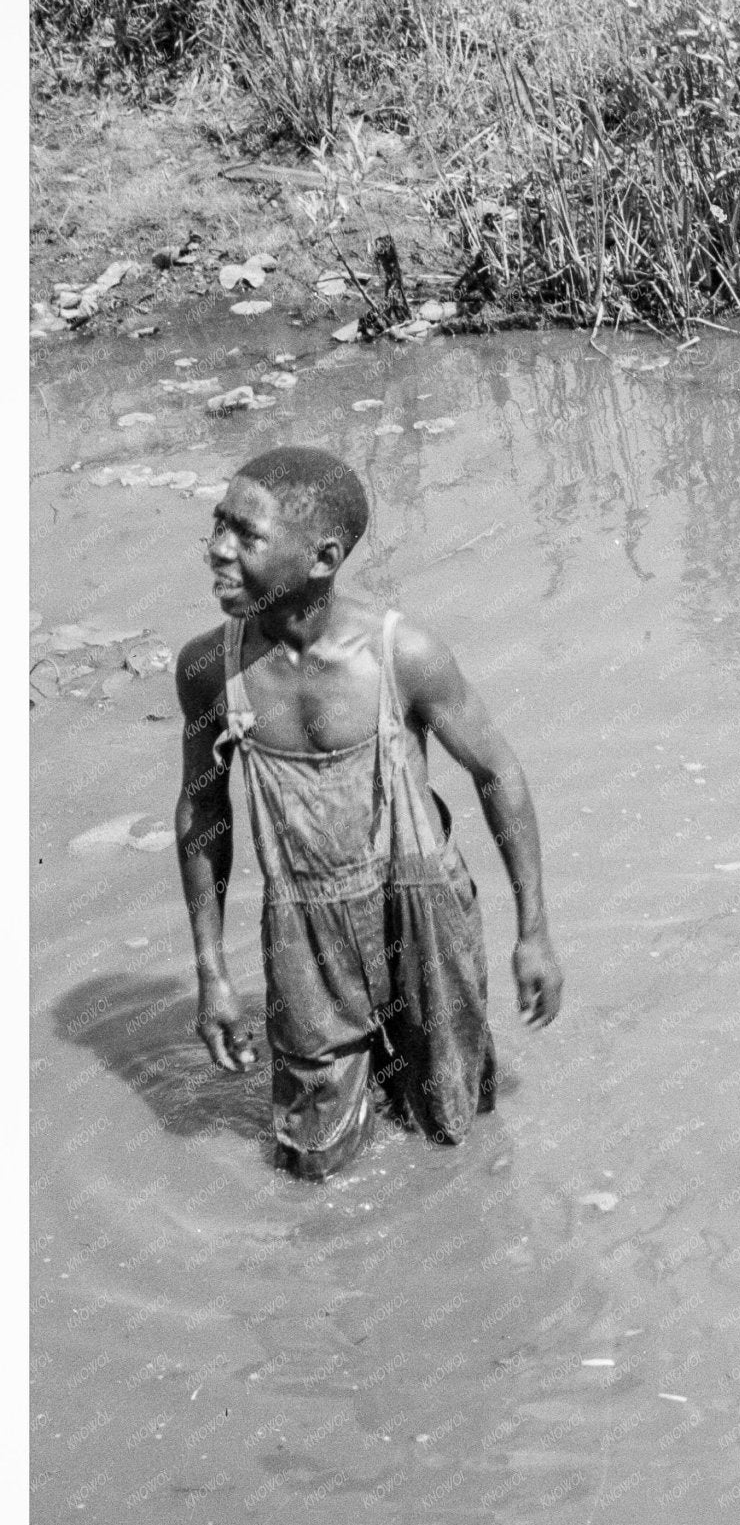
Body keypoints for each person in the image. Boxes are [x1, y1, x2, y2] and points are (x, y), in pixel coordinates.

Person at [174, 446, 562, 1179]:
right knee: (310, 1163)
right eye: (217, 525)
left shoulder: (401, 655)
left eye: (246, 536)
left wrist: (532, 933)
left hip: (426, 915)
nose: (217, 551)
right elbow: (202, 815)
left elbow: (498, 773)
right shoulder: (208, 670)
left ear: (320, 559)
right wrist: (212, 973)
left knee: (450, 1130)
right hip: (303, 930)